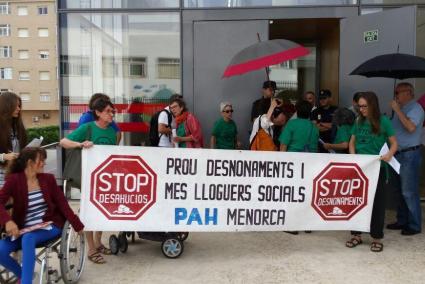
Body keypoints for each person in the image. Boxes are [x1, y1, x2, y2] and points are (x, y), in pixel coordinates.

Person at [0, 147, 84, 284]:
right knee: (1, 249)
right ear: (30, 163)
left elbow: (63, 205)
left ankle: (26, 282)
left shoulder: (48, 179)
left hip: (49, 226)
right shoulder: (14, 180)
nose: (44, 163)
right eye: (41, 160)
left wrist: (77, 224)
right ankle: (24, 275)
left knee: (28, 238)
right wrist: (7, 221)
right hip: (24, 228)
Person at [60, 97, 116, 264]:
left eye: (112, 111)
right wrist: (80, 144)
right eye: (108, 111)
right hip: (89, 180)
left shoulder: (112, 131)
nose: (111, 114)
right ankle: (91, 249)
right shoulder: (88, 127)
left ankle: (98, 243)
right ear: (98, 113)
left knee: (103, 212)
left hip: (106, 180)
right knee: (90, 213)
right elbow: (63, 142)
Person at [345, 91, 397, 253]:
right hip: (360, 169)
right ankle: (356, 235)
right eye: (359, 106)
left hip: (378, 169)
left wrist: (389, 154)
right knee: (356, 201)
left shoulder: (384, 121)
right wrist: (353, 157)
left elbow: (394, 143)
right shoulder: (358, 121)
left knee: (377, 204)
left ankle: (376, 237)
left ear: (373, 105)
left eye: (364, 106)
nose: (361, 109)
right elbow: (352, 142)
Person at [386, 82, 424, 236]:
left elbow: (411, 127)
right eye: (395, 92)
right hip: (396, 153)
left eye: (398, 92)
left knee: (409, 191)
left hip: (409, 154)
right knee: (398, 190)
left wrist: (396, 110)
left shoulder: (416, 109)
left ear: (408, 93)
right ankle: (402, 220)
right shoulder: (399, 110)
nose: (396, 95)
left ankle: (414, 225)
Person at [0, 92, 27, 189]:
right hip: (2, 175)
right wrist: (4, 156)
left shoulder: (17, 126)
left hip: (15, 173)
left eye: (19, 106)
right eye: (16, 106)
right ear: (7, 106)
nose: (19, 109)